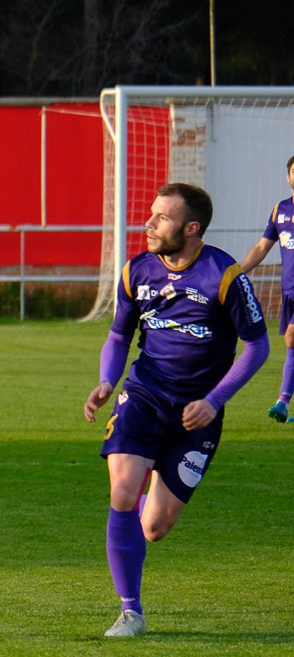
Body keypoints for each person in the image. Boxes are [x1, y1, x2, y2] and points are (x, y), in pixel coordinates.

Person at [83, 182, 269, 638]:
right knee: (122, 492)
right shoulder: (136, 271)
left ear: (190, 228)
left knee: (153, 528)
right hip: (143, 395)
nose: (148, 224)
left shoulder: (224, 276)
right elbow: (119, 336)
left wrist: (213, 401)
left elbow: (257, 347)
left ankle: (144, 510)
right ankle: (130, 612)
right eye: (151, 214)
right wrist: (108, 379)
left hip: (198, 412)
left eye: (161, 218)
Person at [240, 155, 294, 423]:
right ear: (288, 176)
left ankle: (282, 402)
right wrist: (237, 274)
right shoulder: (280, 210)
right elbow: (262, 248)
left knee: (292, 338)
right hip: (290, 291)